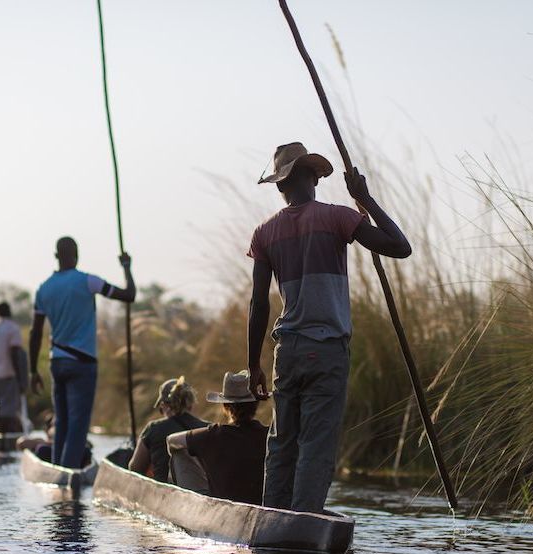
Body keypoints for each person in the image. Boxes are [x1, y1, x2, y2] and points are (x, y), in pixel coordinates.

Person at [248, 142, 411, 513]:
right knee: (316, 442)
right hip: (326, 350)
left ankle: (273, 520)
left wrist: (253, 363)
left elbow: (258, 303)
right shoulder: (338, 217)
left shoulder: (264, 233)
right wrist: (365, 200)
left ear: (280, 186)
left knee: (282, 441)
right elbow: (400, 247)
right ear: (311, 178)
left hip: (285, 352)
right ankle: (303, 522)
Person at [29, 237, 135, 468]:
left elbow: (35, 332)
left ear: (56, 256)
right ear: (77, 255)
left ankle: (58, 472)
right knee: (78, 425)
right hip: (83, 364)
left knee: (63, 422)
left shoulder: (44, 289)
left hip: (57, 363)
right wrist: (127, 267)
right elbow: (129, 295)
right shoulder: (89, 282)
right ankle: (69, 475)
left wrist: (32, 371)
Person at [167, 370, 268, 505]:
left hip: (223, 509)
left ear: (225, 406)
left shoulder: (213, 435)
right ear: (256, 405)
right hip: (263, 506)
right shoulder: (269, 435)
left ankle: (192, 505)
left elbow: (171, 441)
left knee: (179, 450)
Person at [128, 377, 208, 483]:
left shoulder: (153, 428)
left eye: (161, 409)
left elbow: (135, 468)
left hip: (164, 493)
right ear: (191, 404)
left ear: (164, 406)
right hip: (201, 493)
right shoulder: (207, 428)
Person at [0, 302, 25, 424]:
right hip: (8, 373)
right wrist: (20, 377)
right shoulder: (12, 328)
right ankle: (6, 437)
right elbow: (15, 352)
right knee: (8, 411)